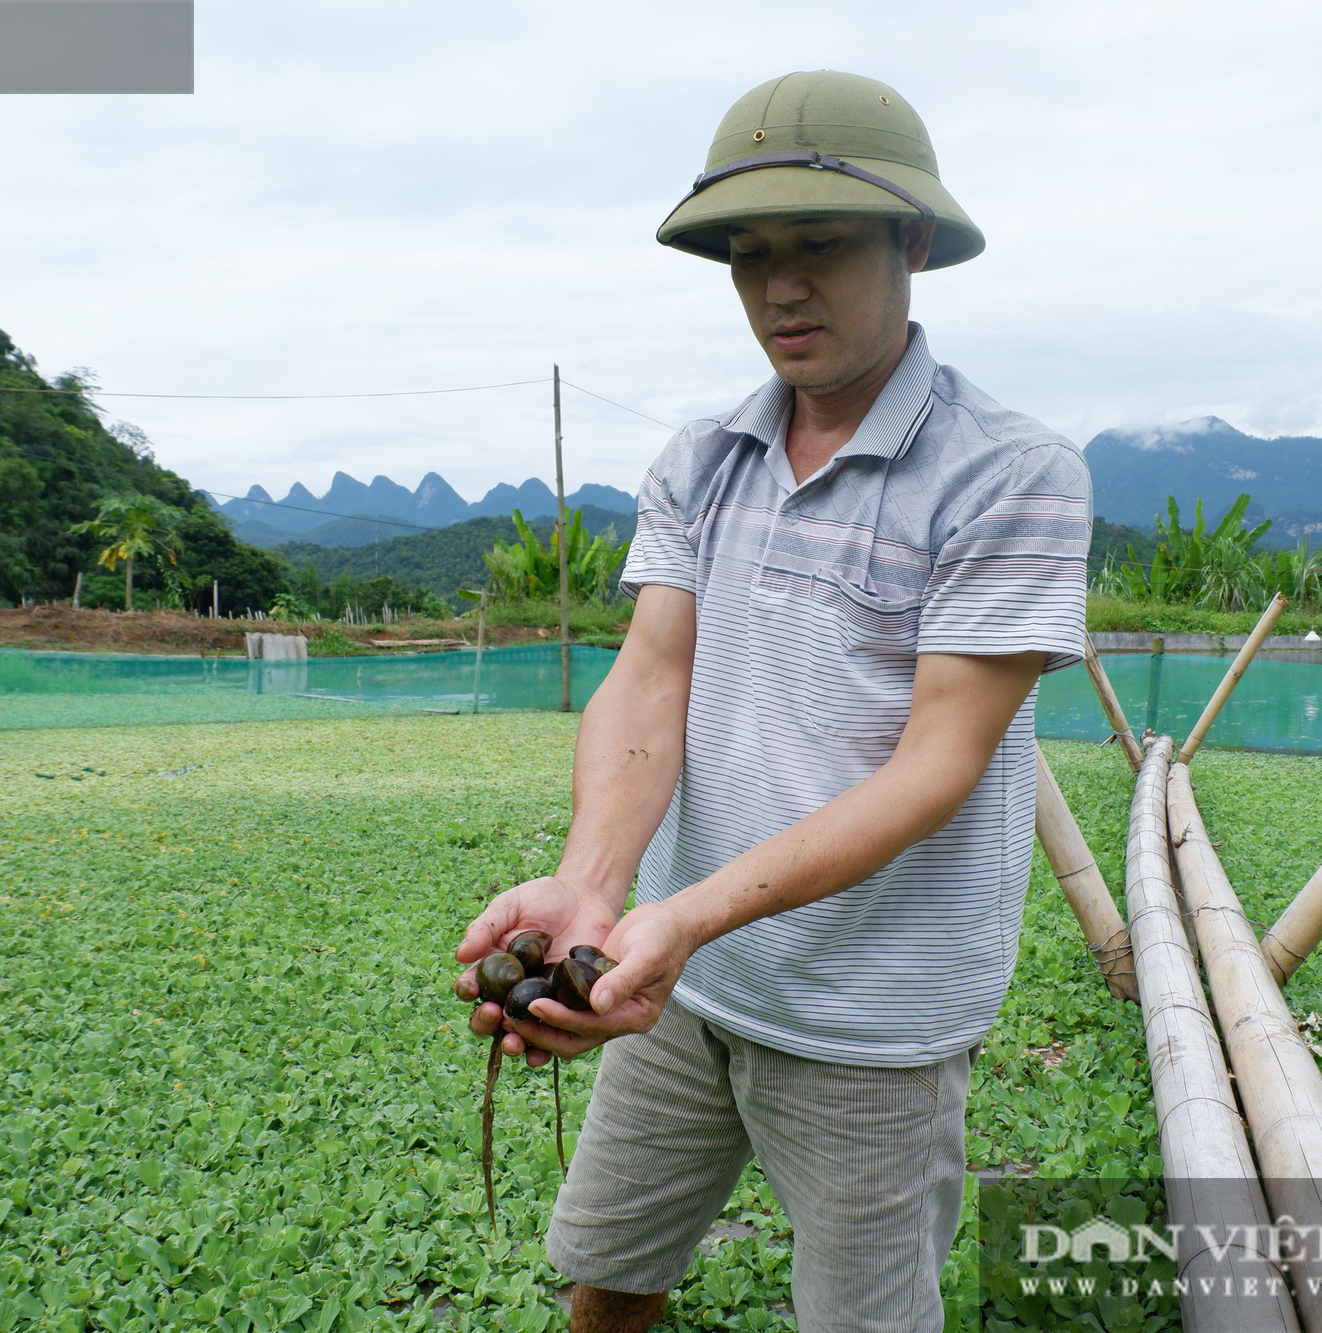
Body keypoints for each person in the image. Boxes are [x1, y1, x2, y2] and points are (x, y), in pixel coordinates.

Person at [452, 70, 1092, 1333]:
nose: (778, 288)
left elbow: (935, 764)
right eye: (748, 256)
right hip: (684, 988)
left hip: (873, 1017)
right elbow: (652, 674)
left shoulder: (1009, 474)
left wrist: (678, 918)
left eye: (818, 245)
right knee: (610, 1273)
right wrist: (596, 889)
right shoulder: (703, 456)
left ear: (909, 243)